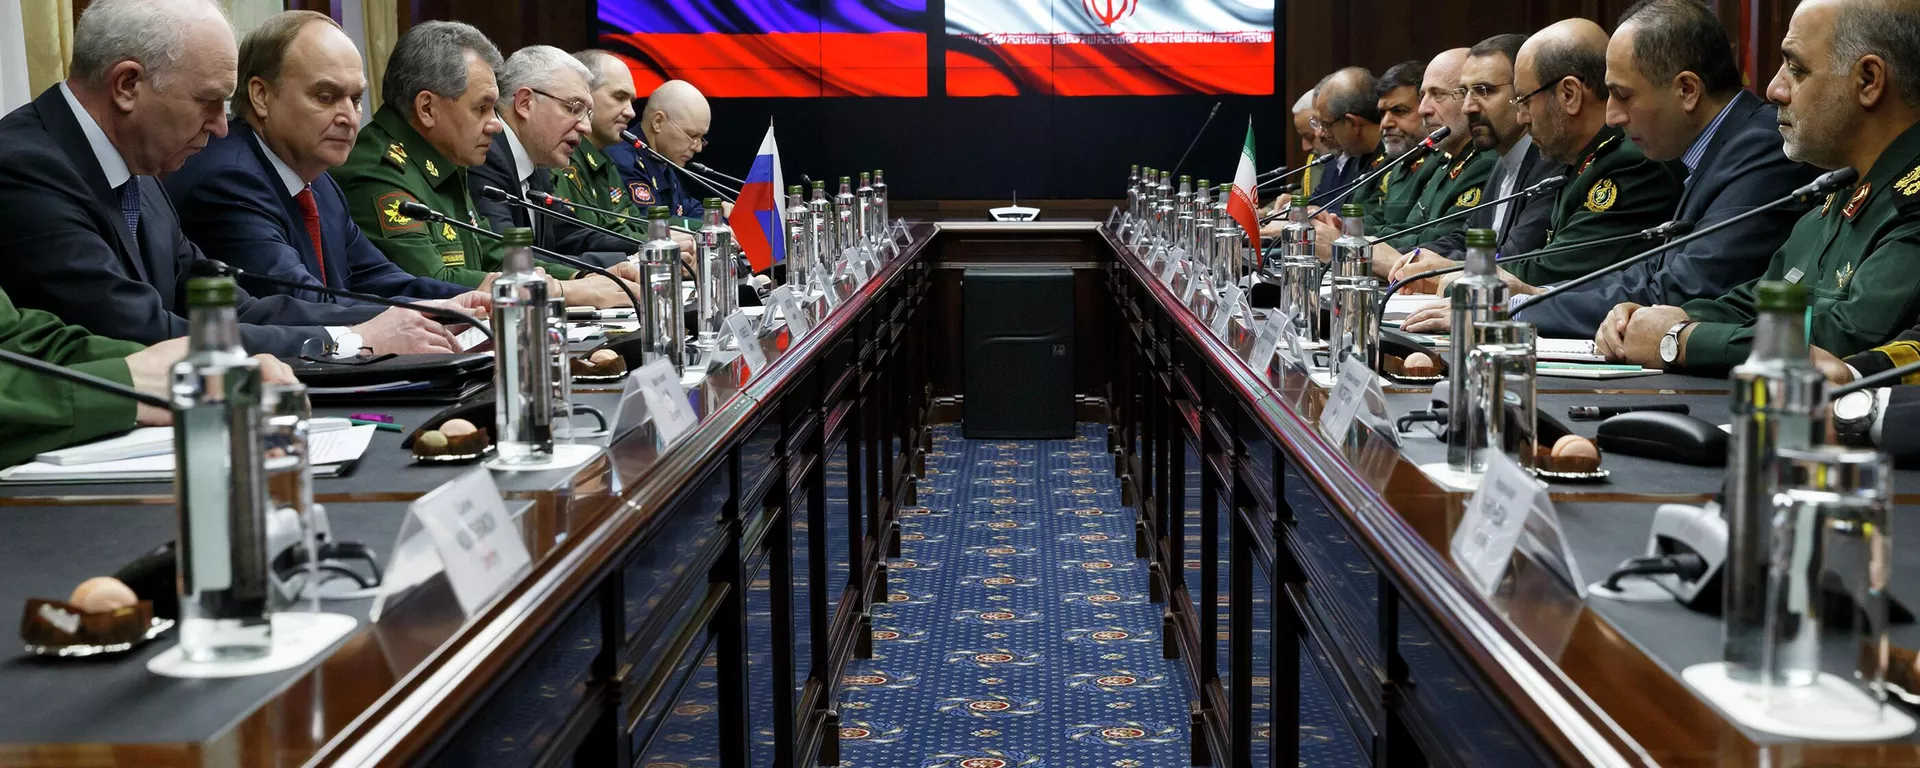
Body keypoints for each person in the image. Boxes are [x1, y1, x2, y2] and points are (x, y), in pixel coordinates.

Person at [0, 0, 457, 357]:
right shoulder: (26, 170)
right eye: (208, 101)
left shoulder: (142, 170)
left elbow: (228, 306)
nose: (222, 127)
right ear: (127, 85)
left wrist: (414, 318)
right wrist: (349, 341)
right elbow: (135, 332)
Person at [1597, 0, 1920, 374]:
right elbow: (1756, 304)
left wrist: (1680, 340)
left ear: (1868, 81)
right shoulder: (1837, 193)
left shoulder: (1909, 204)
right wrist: (1650, 320)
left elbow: (1845, 336)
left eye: (1796, 69)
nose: (1774, 89)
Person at [1513, 0, 1818, 337]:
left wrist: (1517, 310)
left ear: (1687, 90)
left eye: (1623, 95)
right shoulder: (1718, 147)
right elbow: (1654, 270)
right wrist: (1536, 296)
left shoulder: (1762, 149)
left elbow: (1687, 288)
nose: (1612, 116)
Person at [166, 11, 486, 312]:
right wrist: (415, 315)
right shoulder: (229, 180)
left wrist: (465, 301)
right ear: (261, 96)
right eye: (326, 97)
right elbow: (301, 304)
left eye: (356, 99)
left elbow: (378, 278)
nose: (349, 118)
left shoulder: (320, 184)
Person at [334, 21, 634, 307]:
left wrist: (584, 277)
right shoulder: (379, 170)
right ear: (427, 108)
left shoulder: (445, 159)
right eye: (481, 108)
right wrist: (568, 290)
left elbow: (493, 255)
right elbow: (432, 283)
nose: (496, 124)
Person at [0, 289, 295, 468]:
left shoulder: (156, 209)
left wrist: (176, 366)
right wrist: (128, 384)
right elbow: (134, 319)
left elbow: (22, 341)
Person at [469, 45, 641, 267]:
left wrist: (649, 247)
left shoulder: (538, 163)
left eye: (587, 114)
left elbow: (572, 236)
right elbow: (510, 259)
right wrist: (612, 266)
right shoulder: (486, 156)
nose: (586, 127)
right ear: (525, 103)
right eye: (573, 108)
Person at [608, 79, 718, 231]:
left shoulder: (662, 158)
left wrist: (717, 214)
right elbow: (652, 222)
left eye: (701, 138)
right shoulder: (624, 160)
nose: (698, 147)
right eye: (692, 135)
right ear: (658, 122)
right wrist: (712, 223)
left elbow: (688, 208)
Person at [1366, 60, 1432, 235]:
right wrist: (1335, 225)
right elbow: (1378, 219)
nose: (1385, 123)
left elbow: (1418, 233)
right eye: (1382, 114)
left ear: (1427, 110)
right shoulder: (1400, 162)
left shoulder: (1439, 162)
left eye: (1400, 111)